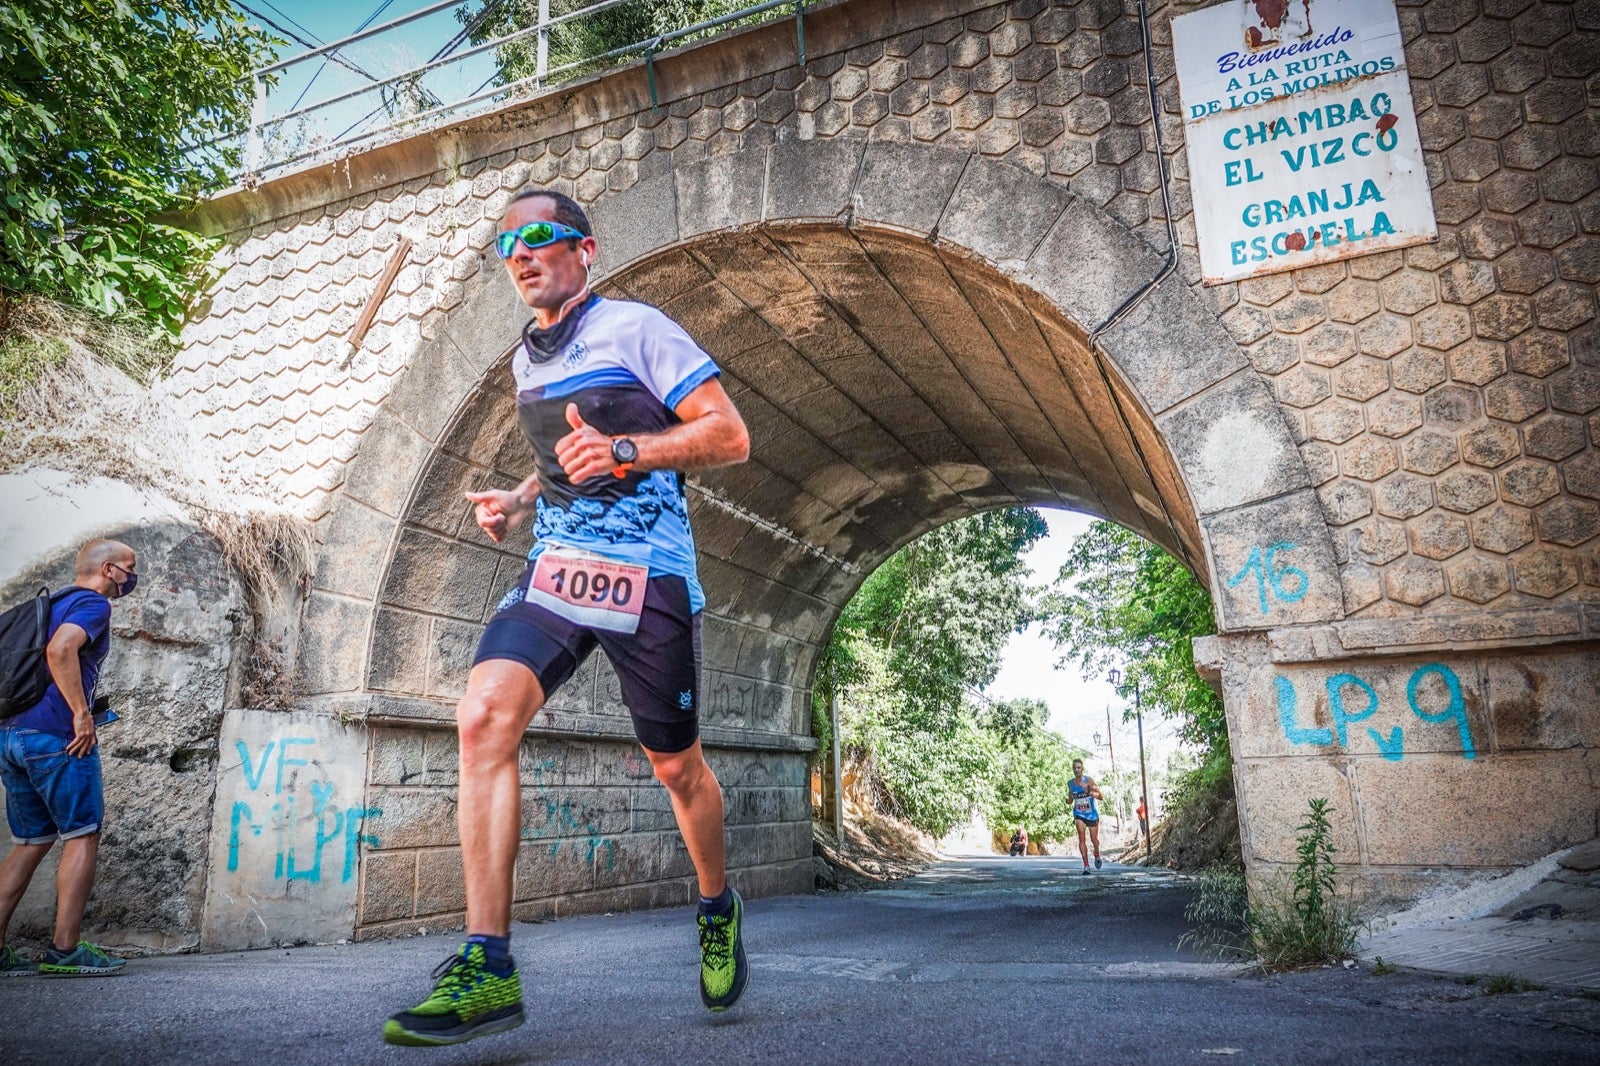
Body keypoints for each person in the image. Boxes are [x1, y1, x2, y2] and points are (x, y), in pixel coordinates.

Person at [383, 190, 752, 1047]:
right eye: (506, 243)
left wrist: (629, 449)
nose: (520, 252)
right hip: (557, 568)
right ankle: (487, 966)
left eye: (539, 236)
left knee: (677, 770)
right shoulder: (526, 361)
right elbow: (558, 456)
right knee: (482, 718)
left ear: (585, 250)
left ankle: (715, 905)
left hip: (646, 576)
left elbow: (730, 436)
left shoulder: (639, 329)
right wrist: (517, 498)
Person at [0, 539, 138, 977]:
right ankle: (64, 951)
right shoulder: (92, 605)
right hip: (57, 740)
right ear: (111, 570)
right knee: (82, 833)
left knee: (30, 842)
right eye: (130, 569)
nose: (131, 579)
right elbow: (60, 651)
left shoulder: (48, 603)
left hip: (10, 735)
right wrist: (82, 715)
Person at [1068, 758, 1103, 875]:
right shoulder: (1071, 783)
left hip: (1092, 814)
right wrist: (1069, 800)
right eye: (1074, 768)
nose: (1076, 770)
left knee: (1094, 839)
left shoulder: (1088, 781)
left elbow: (1100, 796)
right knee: (1081, 838)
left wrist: (1090, 793)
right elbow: (1071, 798)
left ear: (1082, 769)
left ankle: (1097, 853)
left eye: (1078, 767)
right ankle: (1086, 866)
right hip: (1079, 814)